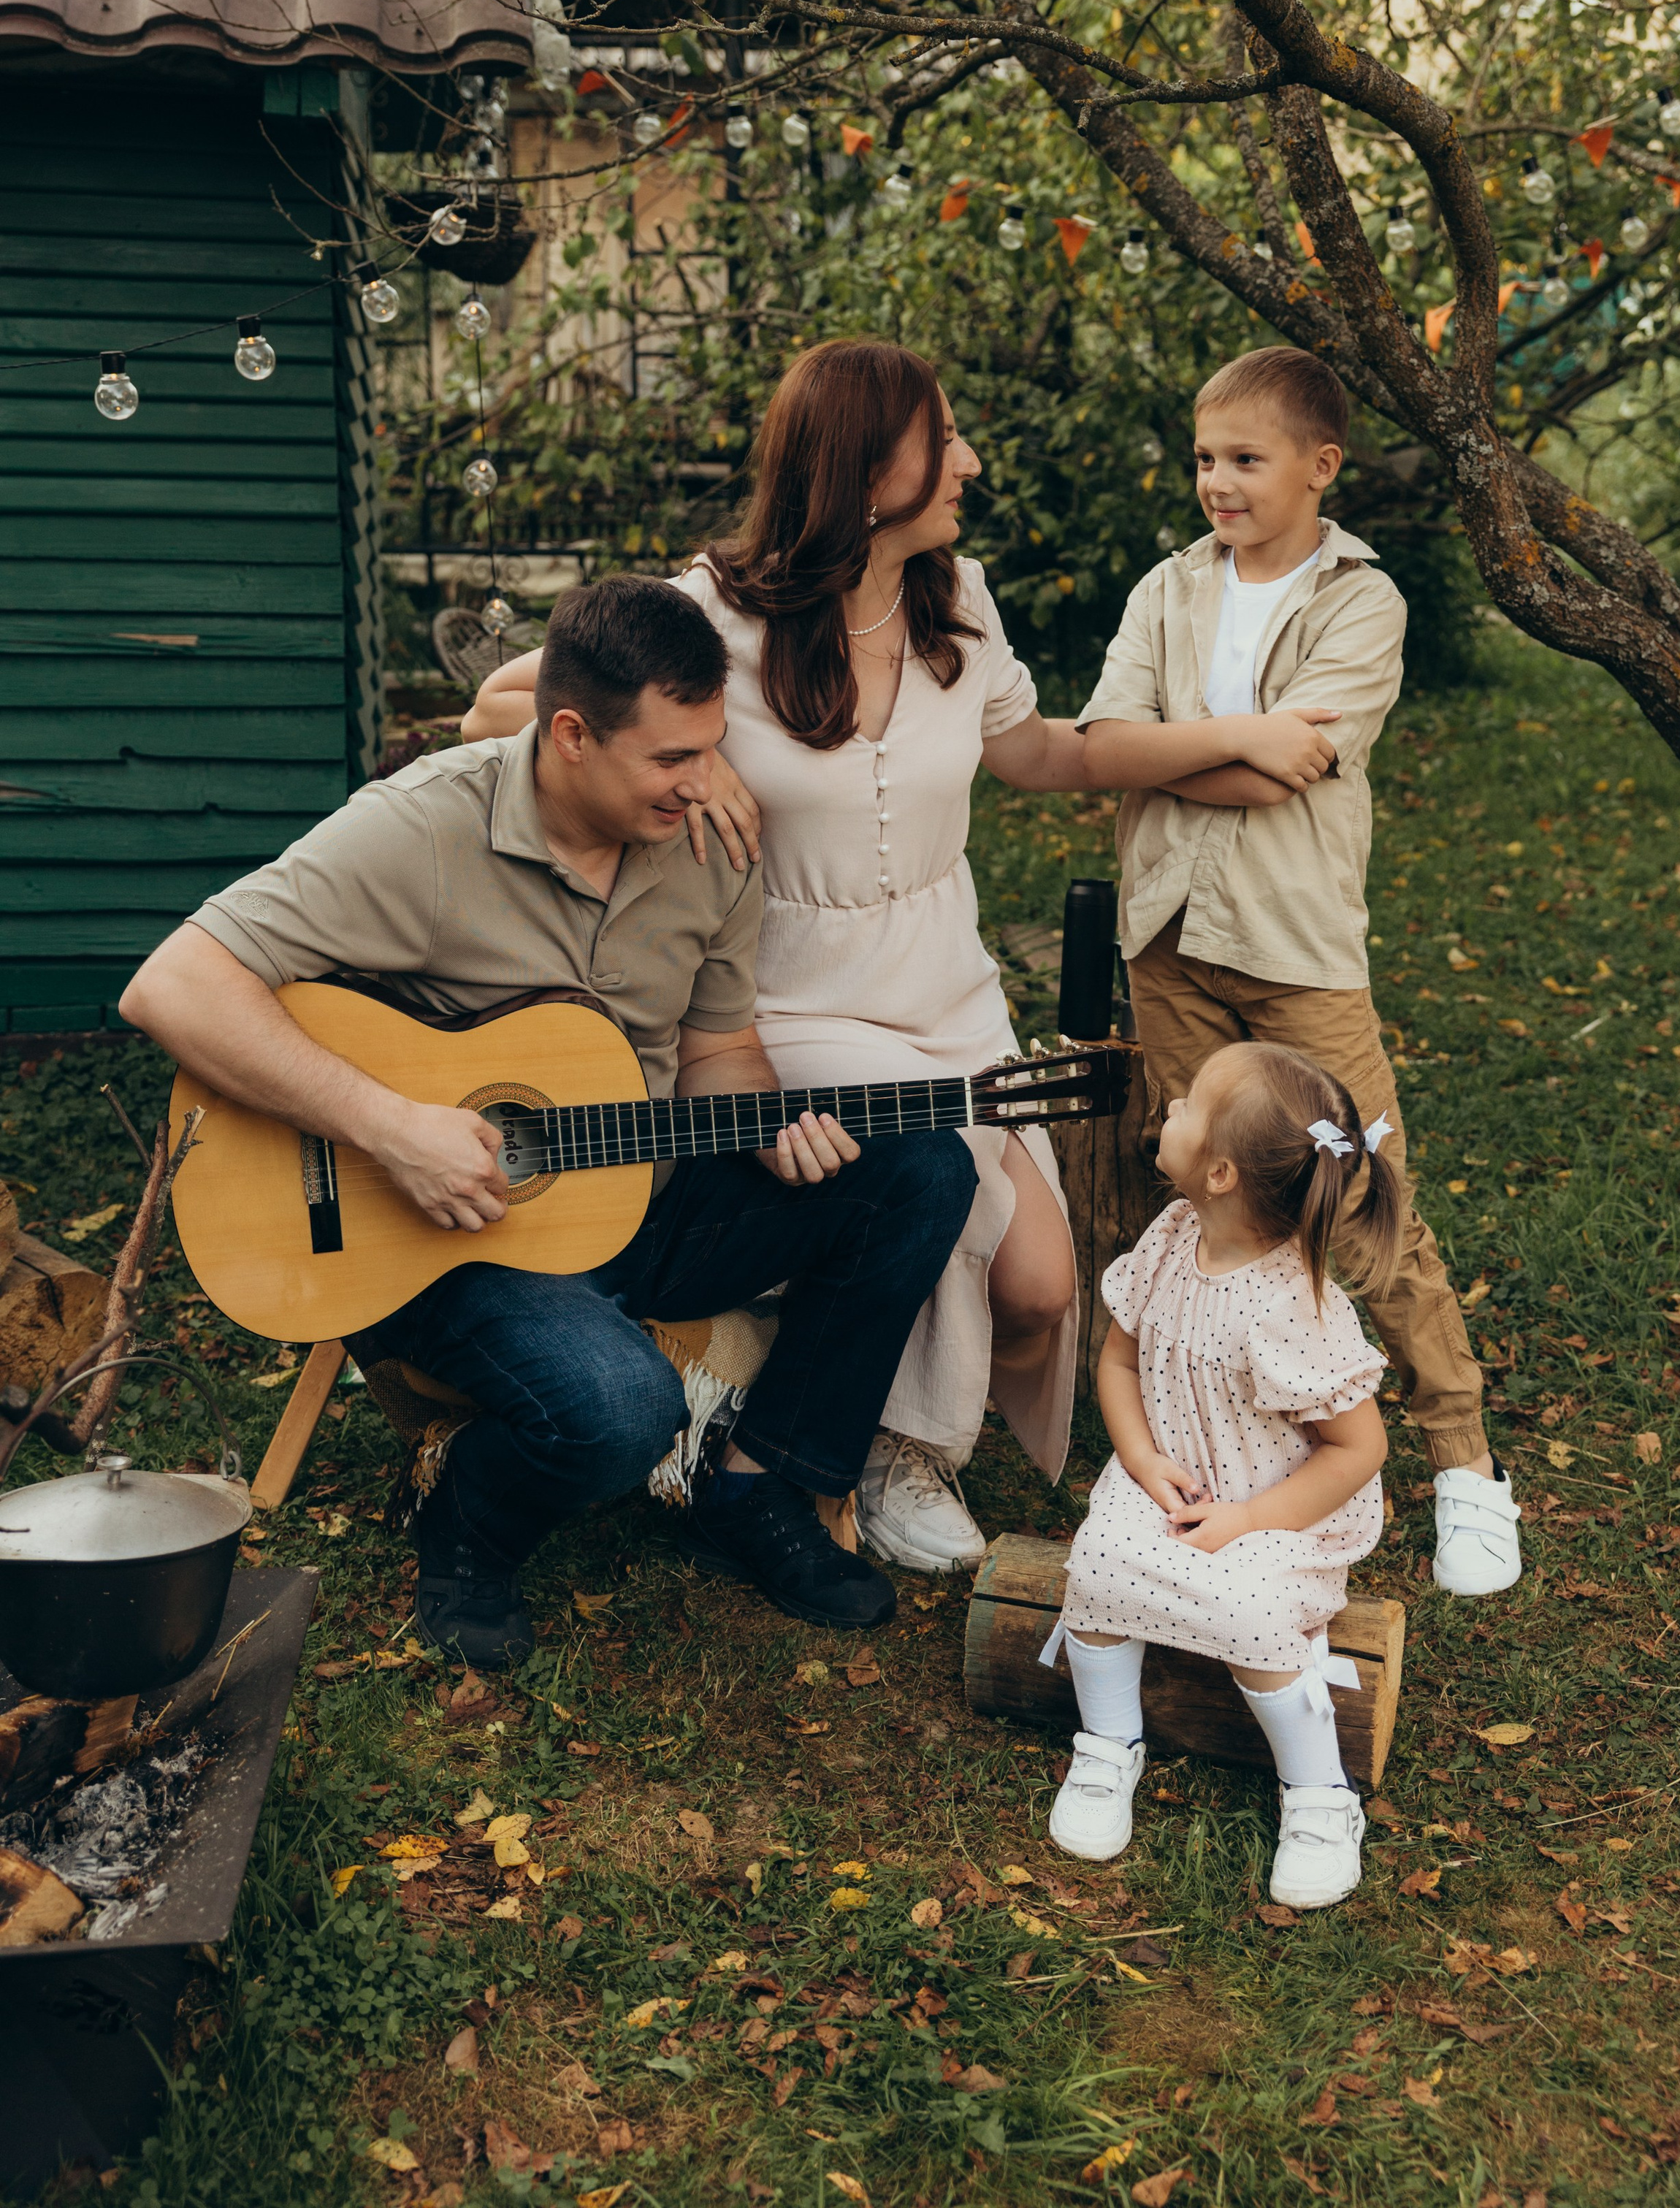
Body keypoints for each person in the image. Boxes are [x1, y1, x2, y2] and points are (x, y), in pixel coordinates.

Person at [118, 575, 978, 1666]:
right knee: (625, 1410)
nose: (704, 780)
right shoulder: (422, 828)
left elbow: (716, 1053)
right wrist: (392, 1128)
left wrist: (764, 1123)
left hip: (645, 1210)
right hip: (439, 1241)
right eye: (672, 758)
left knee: (924, 1171)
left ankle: (758, 1485)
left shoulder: (709, 844)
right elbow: (173, 985)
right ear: (570, 734)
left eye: (711, 745)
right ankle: (466, 1524)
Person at [465, 341, 1093, 1574]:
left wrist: (1232, 745)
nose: (968, 459)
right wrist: (691, 768)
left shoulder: (957, 598)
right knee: (940, 1173)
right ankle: (891, 1448)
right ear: (866, 474)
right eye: (943, 437)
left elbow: (1049, 750)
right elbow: (503, 707)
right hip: (788, 989)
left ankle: (856, 1396)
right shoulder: (710, 608)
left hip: (944, 977)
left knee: (1043, 1288)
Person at [1077, 345, 1519, 1597]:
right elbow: (1105, 745)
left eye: (1246, 460)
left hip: (1294, 951)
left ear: (1320, 467)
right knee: (1208, 1193)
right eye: (1206, 458)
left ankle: (1464, 1462)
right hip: (1167, 936)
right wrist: (1210, 747)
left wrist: (1164, 756)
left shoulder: (1362, 602)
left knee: (1363, 1198)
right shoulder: (1170, 589)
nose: (1217, 482)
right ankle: (1206, 1425)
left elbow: (1294, 766)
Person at [1043, 1042, 1395, 1909]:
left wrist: (1251, 1522)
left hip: (1274, 1507)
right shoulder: (1172, 1236)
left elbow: (1359, 1450)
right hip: (1171, 1475)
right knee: (1094, 1568)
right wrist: (1139, 1458)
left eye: (1188, 1105)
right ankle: (1108, 1745)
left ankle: (1319, 1795)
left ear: (1223, 1173)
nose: (1168, 1109)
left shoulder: (1290, 1308)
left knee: (1252, 1612)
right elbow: (1118, 1364)